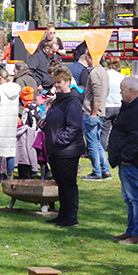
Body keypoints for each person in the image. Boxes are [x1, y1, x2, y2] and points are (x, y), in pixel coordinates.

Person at [107, 76, 138, 245]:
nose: (120, 93)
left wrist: (126, 157)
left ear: (131, 91)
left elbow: (137, 138)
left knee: (135, 196)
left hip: (132, 160)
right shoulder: (131, 107)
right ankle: (131, 230)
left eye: (122, 90)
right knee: (129, 197)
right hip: (126, 158)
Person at [40, 67, 84, 228]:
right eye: (55, 82)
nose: (56, 85)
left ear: (67, 82)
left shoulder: (72, 102)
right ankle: (63, 214)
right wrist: (45, 127)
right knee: (61, 183)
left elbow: (74, 126)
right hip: (56, 149)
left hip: (67, 150)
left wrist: (59, 140)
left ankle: (71, 216)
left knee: (69, 184)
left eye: (59, 82)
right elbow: (57, 123)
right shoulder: (59, 101)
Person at [81, 52, 111, 181]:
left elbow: (98, 94)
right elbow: (106, 90)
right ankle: (105, 170)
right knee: (97, 142)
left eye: (86, 57)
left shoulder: (94, 73)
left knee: (92, 143)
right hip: (101, 111)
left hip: (91, 113)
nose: (85, 59)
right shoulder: (103, 71)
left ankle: (96, 172)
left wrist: (93, 111)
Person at [101, 57, 125, 150]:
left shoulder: (105, 75)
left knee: (104, 131)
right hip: (118, 105)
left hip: (107, 105)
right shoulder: (121, 76)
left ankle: (102, 151)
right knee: (118, 131)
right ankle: (116, 149)